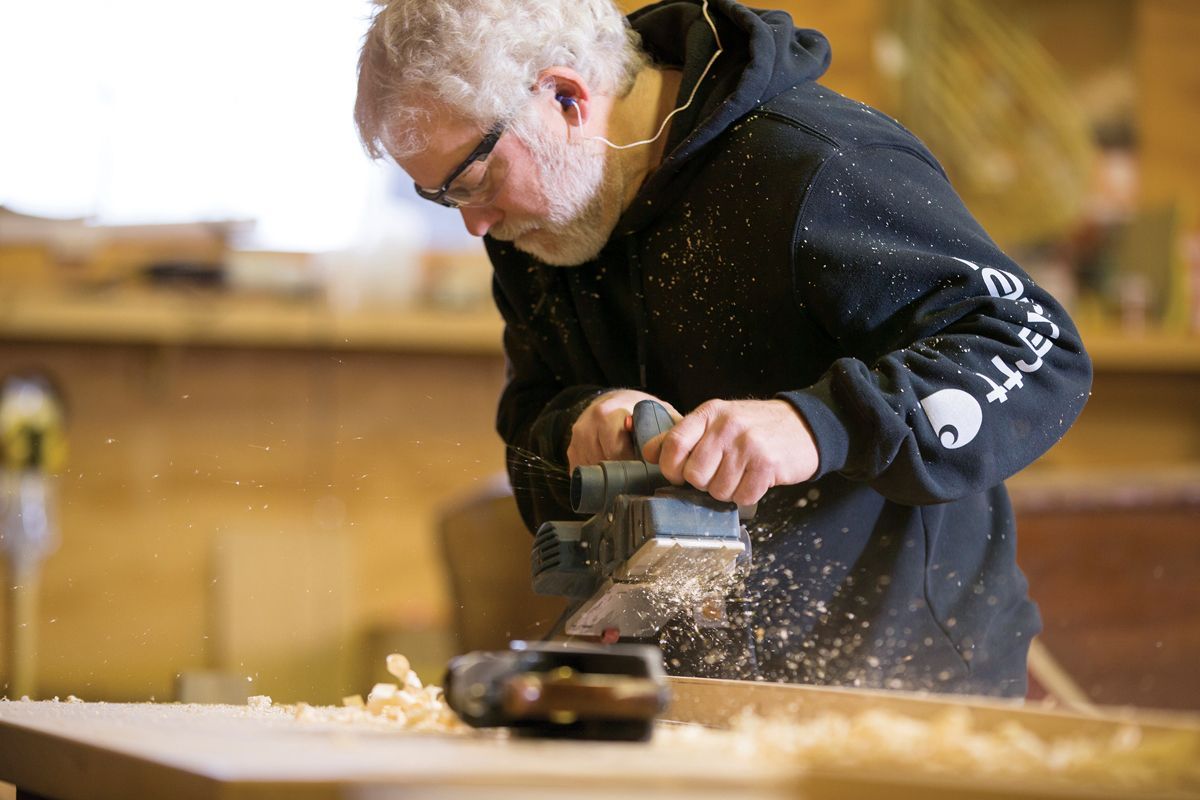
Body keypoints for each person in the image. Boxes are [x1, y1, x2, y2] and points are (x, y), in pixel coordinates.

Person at [354, 0, 1092, 697]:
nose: (474, 225)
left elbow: (1035, 347)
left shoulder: (816, 166)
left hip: (898, 678)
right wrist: (578, 423)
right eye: (442, 196)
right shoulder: (534, 229)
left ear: (566, 98)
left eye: (473, 179)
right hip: (677, 688)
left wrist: (816, 425)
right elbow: (529, 428)